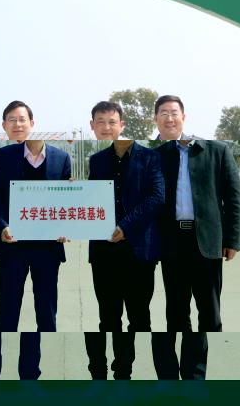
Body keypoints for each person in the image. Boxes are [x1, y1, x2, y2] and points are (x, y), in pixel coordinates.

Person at [149, 94, 240, 380]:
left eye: (174, 112)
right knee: (177, 313)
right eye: (163, 113)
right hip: (173, 243)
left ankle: (195, 375)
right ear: (156, 119)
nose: (169, 118)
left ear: (184, 117)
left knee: (209, 315)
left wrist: (232, 240)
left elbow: (233, 198)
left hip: (207, 243)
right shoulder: (157, 156)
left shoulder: (216, 151)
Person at [0, 101, 72, 381]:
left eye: (22, 119)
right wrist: (2, 226)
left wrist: (66, 225)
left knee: (46, 314)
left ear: (32, 123)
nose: (18, 124)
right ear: (5, 126)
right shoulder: (5, 155)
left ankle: (32, 375)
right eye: (12, 119)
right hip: (12, 247)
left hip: (47, 249)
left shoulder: (61, 158)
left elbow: (67, 200)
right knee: (8, 312)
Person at [83, 101, 164, 380]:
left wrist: (125, 227)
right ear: (92, 126)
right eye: (100, 122)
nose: (106, 127)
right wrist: (72, 195)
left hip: (139, 251)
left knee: (139, 318)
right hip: (104, 252)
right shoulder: (97, 160)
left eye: (112, 121)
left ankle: (124, 372)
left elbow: (156, 198)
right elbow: (92, 200)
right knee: (107, 317)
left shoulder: (150, 158)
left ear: (122, 125)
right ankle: (99, 373)